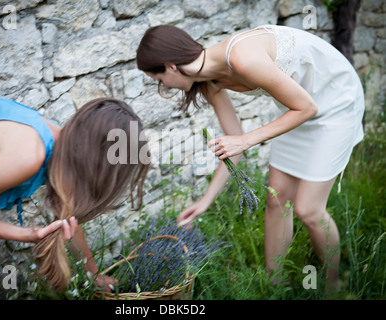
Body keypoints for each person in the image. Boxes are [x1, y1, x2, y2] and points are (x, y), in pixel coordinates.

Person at [136, 24, 365, 292]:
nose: (164, 87)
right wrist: (205, 201)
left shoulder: (241, 58)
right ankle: (275, 283)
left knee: (308, 209)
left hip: (333, 101)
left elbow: (306, 108)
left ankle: (333, 287)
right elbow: (236, 146)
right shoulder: (210, 82)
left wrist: (245, 139)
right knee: (276, 197)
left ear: (171, 66)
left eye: (159, 79)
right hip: (296, 109)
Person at [0, 96, 150, 299]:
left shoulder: (62, 146)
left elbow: (68, 218)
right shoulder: (29, 154)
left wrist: (92, 274)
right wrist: (27, 234)